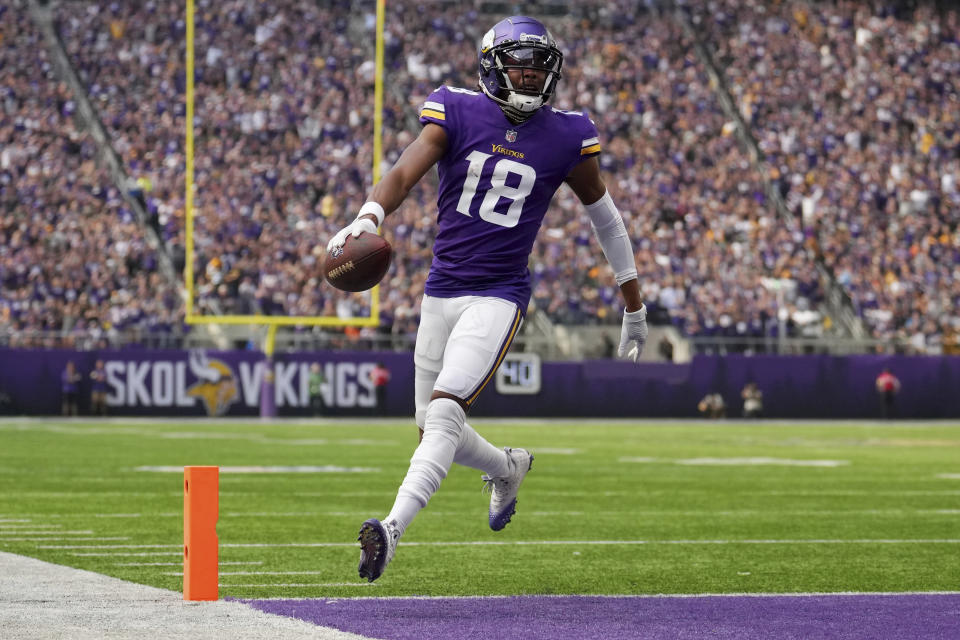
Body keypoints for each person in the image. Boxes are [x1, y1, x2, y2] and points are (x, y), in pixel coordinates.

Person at [326, 16, 648, 583]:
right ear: (493, 69)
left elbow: (606, 218)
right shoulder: (456, 109)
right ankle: (507, 467)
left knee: (447, 410)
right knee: (429, 425)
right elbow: (404, 169)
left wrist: (634, 301)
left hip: (498, 295)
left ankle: (393, 529)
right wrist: (369, 214)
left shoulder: (568, 134)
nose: (530, 79)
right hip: (441, 289)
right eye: (520, 68)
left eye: (539, 70)